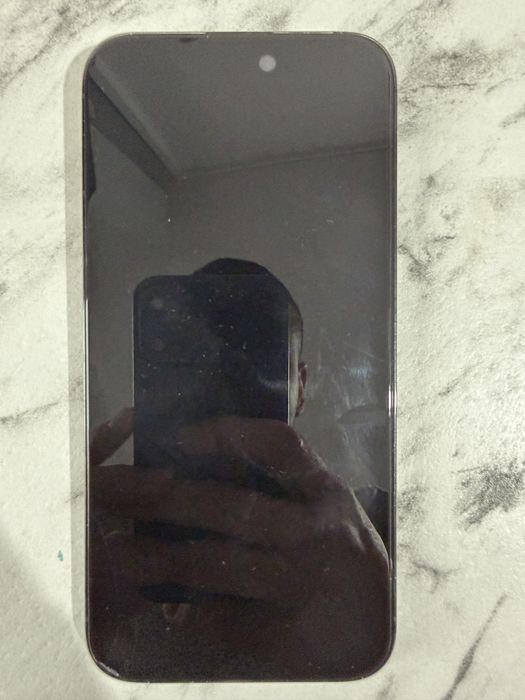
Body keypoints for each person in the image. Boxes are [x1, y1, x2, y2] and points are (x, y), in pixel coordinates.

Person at [88, 259, 392, 681]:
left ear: (301, 386)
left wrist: (379, 651)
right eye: (199, 370)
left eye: (252, 369)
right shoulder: (104, 541)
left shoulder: (384, 532)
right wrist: (69, 631)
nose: (222, 391)